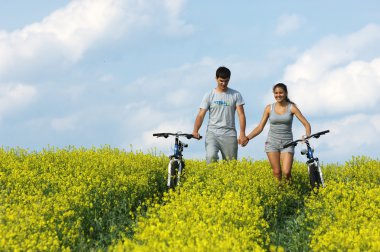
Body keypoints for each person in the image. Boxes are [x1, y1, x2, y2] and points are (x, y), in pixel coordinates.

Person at [242, 83, 311, 181]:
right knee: (277, 172)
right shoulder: (269, 108)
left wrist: (307, 136)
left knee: (286, 172)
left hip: (287, 143)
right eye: (276, 93)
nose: (278, 95)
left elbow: (306, 124)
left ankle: (290, 191)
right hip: (272, 143)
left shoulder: (292, 108)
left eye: (281, 93)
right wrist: (247, 138)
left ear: (286, 93)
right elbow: (260, 127)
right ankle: (281, 194)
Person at [192, 66, 248, 164]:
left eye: (226, 81)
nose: (223, 83)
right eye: (221, 81)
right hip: (212, 133)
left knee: (231, 165)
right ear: (216, 78)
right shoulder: (209, 95)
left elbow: (241, 115)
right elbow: (201, 115)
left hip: (229, 133)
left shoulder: (236, 95)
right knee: (211, 157)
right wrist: (195, 130)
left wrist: (242, 133)